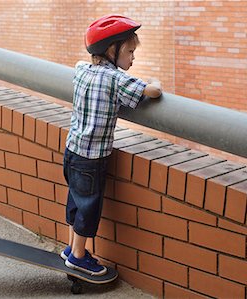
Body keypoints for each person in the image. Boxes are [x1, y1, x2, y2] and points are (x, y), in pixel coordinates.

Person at [61, 14, 162, 276]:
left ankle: (71, 248)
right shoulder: (116, 80)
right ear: (111, 50)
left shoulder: (82, 69)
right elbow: (151, 92)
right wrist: (156, 83)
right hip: (92, 159)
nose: (133, 58)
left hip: (72, 150)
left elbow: (79, 67)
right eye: (130, 51)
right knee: (88, 207)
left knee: (75, 200)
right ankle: (79, 257)